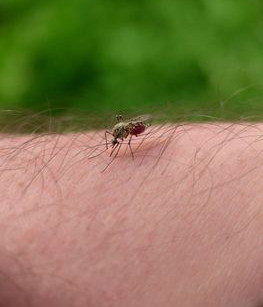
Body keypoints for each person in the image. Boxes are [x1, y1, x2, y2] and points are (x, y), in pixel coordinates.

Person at [0, 122, 262, 306]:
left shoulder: (125, 132)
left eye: (115, 139)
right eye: (115, 140)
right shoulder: (116, 134)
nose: (115, 141)